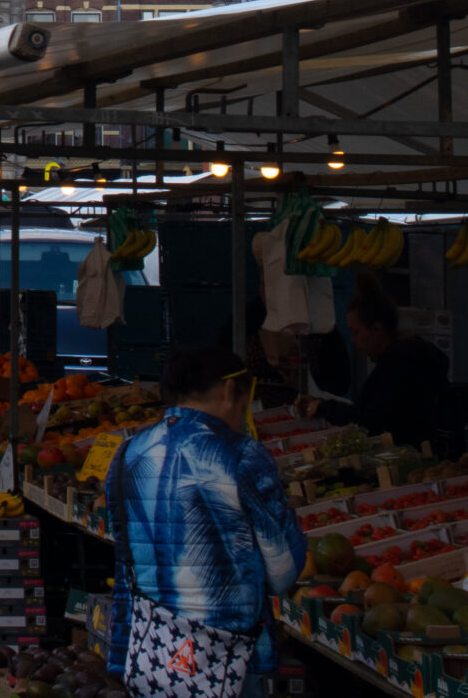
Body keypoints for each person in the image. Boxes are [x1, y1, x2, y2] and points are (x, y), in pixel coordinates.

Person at [107, 346, 307, 698]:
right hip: (231, 662)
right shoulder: (243, 456)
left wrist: (119, 655)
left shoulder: (128, 453)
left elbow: (125, 565)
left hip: (155, 655)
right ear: (230, 392)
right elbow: (284, 571)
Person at [299, 286, 450, 448]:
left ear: (377, 329)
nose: (352, 341)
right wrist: (321, 404)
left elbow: (368, 420)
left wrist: (324, 408)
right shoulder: (407, 355)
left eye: (356, 332)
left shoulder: (398, 363)